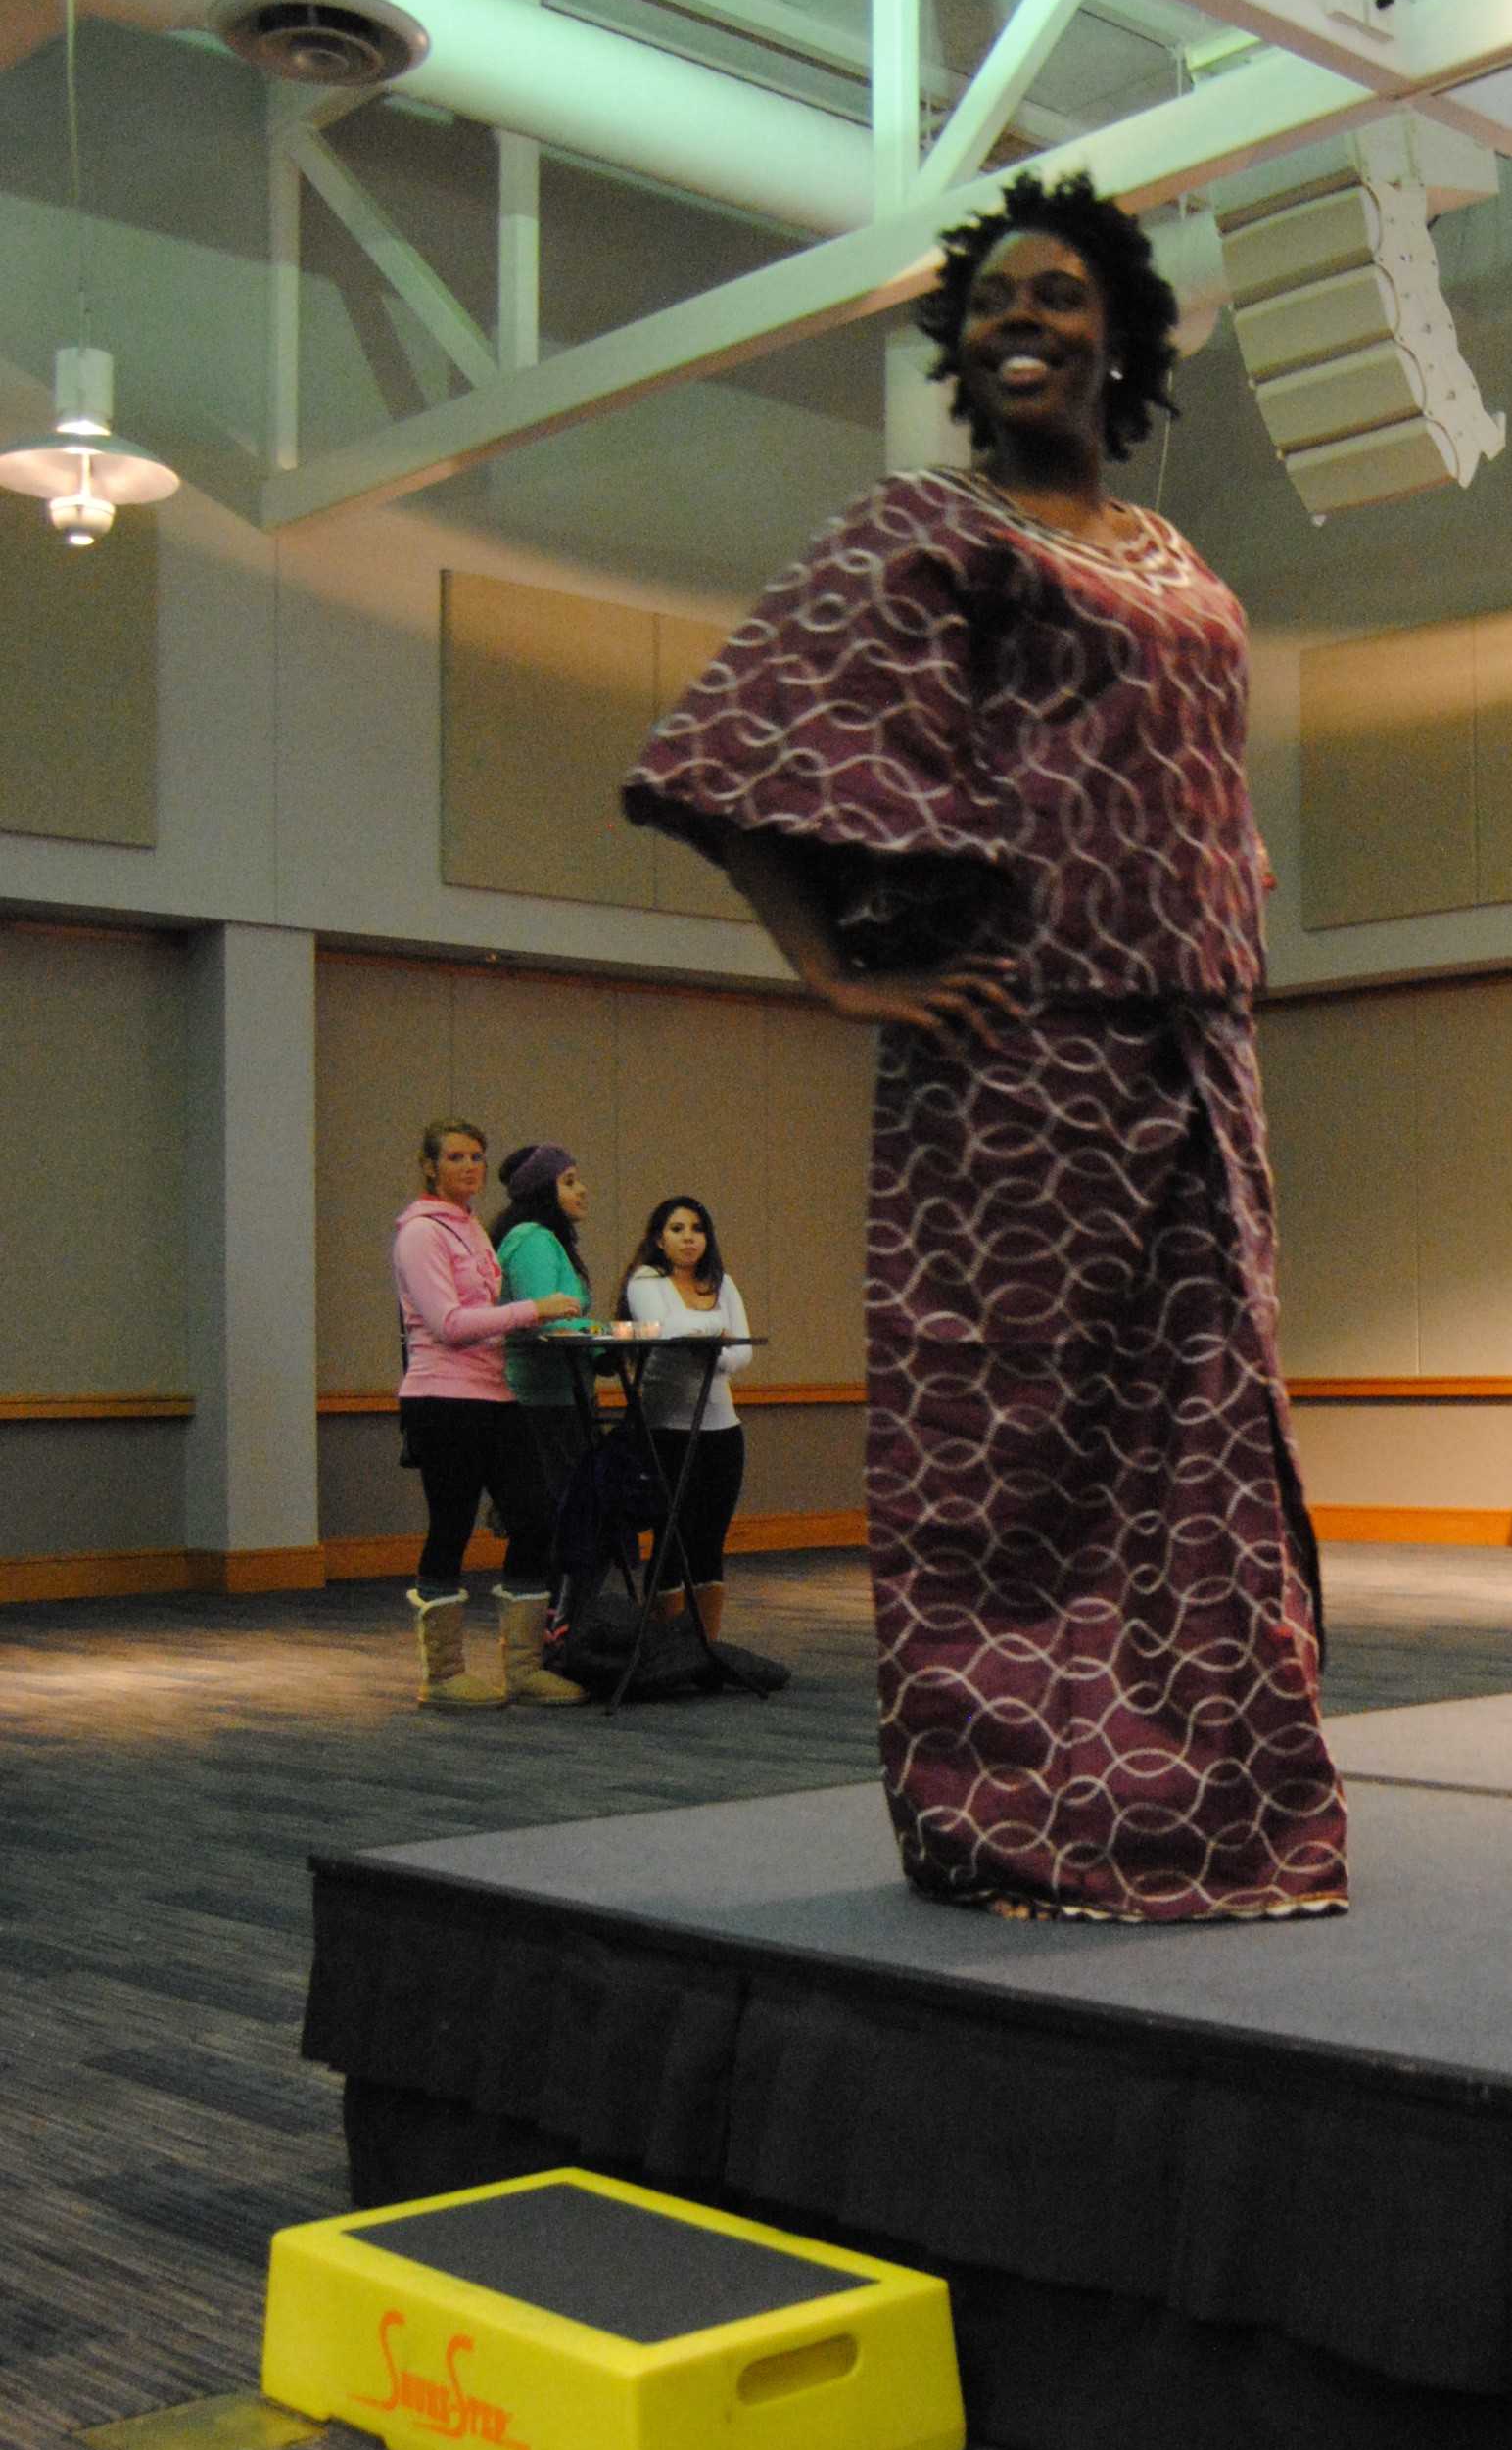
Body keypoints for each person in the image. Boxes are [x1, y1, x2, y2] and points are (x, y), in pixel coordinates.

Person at [622, 169, 1347, 1922]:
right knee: (1007, 1457)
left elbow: (1207, 803)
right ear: (962, 345)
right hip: (1015, 1064)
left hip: (1191, 1055)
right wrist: (837, 977)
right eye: (995, 302)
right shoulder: (921, 532)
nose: (1025, 320)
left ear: (1124, 335)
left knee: (1199, 1444)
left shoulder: (1181, 560)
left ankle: (1209, 1806)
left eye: (1059, 295)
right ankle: (1011, 1812)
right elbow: (734, 761)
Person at [392, 1116, 589, 1706]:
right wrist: (534, 1310)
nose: (470, 1167)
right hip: (443, 1397)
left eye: (477, 1157)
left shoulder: (472, 1227)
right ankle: (444, 1674)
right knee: (450, 1527)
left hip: (494, 1393)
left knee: (535, 1516)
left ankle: (523, 1666)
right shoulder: (421, 1233)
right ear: (430, 1166)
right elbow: (449, 1325)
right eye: (455, 1158)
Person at [619, 1194, 752, 1639]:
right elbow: (667, 1330)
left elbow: (743, 1352)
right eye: (677, 1229)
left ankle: (705, 1644)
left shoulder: (722, 1282)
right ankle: (663, 1644)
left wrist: (713, 1351)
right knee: (671, 1531)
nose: (689, 1238)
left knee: (710, 1534)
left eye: (697, 1229)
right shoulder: (645, 1280)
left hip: (721, 1426)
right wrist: (717, 1336)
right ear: (659, 1238)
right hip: (666, 1427)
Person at [490, 1140, 593, 1495]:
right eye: (568, 1181)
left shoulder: (548, 1239)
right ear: (543, 1190)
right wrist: (601, 1334)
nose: (581, 1190)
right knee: (549, 1521)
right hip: (539, 1402)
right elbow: (545, 1319)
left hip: (558, 1395)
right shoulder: (532, 1240)